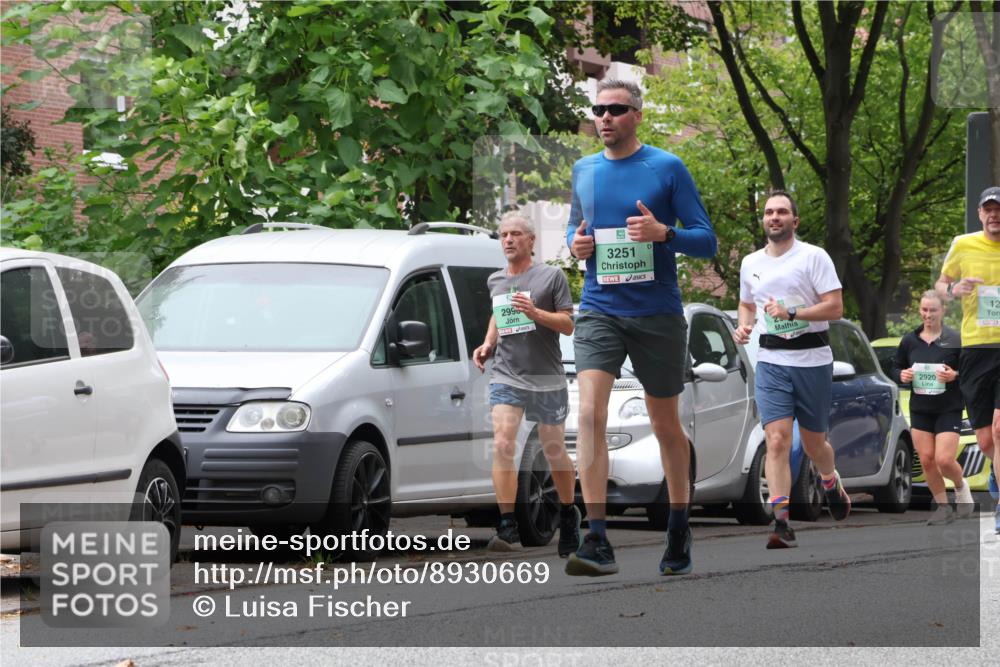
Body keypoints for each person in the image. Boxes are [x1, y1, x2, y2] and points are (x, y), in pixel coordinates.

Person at [564, 79, 716, 576]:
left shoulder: (666, 167)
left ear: (636, 115)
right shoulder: (583, 170)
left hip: (656, 314)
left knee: (665, 424)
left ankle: (677, 524)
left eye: (615, 109)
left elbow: (706, 241)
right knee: (588, 415)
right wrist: (576, 246)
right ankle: (597, 538)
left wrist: (664, 234)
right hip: (599, 306)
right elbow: (574, 228)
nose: (603, 117)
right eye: (598, 109)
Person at [733, 190, 851, 549]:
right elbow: (745, 302)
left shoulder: (814, 257)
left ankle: (829, 480)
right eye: (769, 212)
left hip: (812, 359)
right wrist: (744, 325)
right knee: (777, 440)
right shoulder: (751, 261)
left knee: (815, 444)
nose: (774, 217)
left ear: (794, 221)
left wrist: (795, 313)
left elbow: (835, 308)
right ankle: (781, 522)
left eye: (782, 212)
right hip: (771, 361)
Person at [472, 212, 580, 556]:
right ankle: (507, 523)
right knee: (503, 444)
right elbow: (498, 313)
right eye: (503, 234)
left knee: (552, 449)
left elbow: (567, 324)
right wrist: (488, 344)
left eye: (515, 234)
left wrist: (536, 314)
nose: (508, 240)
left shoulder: (551, 276)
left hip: (546, 376)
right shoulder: (496, 280)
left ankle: (567, 512)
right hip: (506, 374)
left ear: (530, 240)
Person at [935, 186, 1000, 533]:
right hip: (975, 349)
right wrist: (954, 290)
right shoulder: (963, 245)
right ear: (980, 214)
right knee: (987, 440)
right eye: (988, 209)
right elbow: (940, 285)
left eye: (998, 209)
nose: (994, 215)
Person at [892, 290, 972, 524]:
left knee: (944, 459)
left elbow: (969, 371)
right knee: (926, 459)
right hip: (920, 408)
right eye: (924, 310)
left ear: (943, 311)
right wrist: (902, 375)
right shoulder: (909, 340)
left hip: (949, 407)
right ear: (920, 310)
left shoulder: (955, 339)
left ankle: (960, 487)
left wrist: (954, 375)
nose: (928, 315)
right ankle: (943, 508)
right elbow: (896, 367)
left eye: (933, 310)